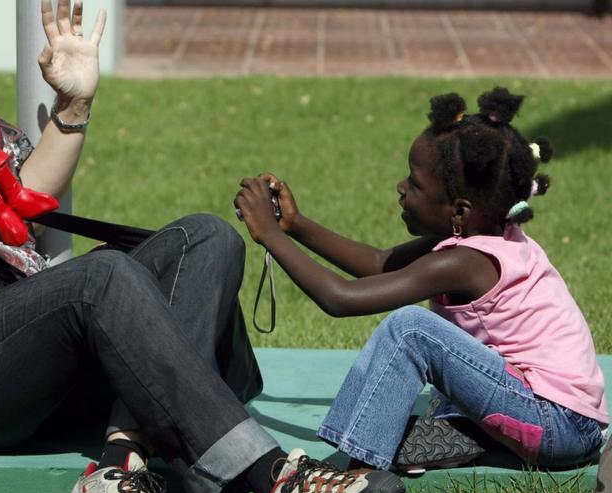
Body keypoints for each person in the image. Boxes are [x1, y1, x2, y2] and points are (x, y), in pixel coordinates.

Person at [0, 1, 406, 493]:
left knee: (205, 237)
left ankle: (122, 463)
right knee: (102, 278)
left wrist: (74, 102)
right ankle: (266, 477)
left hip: (26, 345)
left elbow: (27, 189)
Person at [235, 88, 608, 473]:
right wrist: (295, 226)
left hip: (557, 423)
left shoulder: (467, 261)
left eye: (414, 184)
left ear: (459, 210)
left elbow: (341, 299)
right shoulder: (480, 236)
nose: (401, 187)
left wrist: (270, 235)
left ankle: (359, 472)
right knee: (409, 413)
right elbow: (381, 264)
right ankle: (463, 443)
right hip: (565, 423)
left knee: (411, 330)